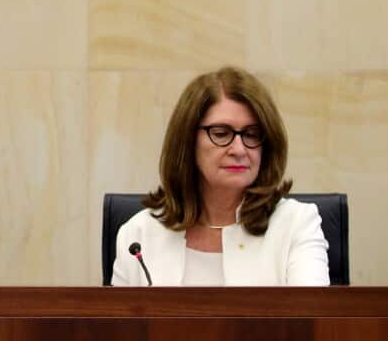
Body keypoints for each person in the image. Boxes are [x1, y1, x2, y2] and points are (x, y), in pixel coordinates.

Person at [111, 66, 328, 286]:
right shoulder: (138, 235)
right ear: (187, 141)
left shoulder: (297, 225)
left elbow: (313, 317)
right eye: (221, 133)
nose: (239, 149)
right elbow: (119, 320)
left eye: (252, 135)